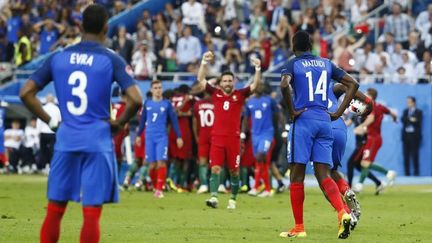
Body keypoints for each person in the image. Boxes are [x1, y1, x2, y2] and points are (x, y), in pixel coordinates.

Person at [19, 4, 143, 243]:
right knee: (91, 214)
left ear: (80, 26)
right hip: (97, 139)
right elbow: (136, 98)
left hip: (67, 138)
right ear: (106, 28)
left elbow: (26, 93)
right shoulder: (111, 59)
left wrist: (51, 120)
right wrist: (119, 122)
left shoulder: (59, 57)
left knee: (55, 211)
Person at [279, 31, 359, 239]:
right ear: (311, 45)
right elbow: (353, 85)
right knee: (324, 173)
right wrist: (339, 112)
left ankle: (299, 227)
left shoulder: (292, 64)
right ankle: (342, 212)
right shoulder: (326, 63)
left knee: (297, 175)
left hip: (303, 121)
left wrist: (292, 111)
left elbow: (284, 84)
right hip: (325, 120)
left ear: (294, 46)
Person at [196, 51, 261, 210]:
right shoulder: (215, 93)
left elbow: (254, 85)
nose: (227, 83)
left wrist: (258, 69)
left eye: (230, 80)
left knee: (234, 171)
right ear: (220, 83)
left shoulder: (240, 94)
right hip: (217, 138)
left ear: (234, 82)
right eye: (224, 80)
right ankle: (214, 197)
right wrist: (204, 62)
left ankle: (233, 198)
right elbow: (200, 80)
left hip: (233, 139)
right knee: (215, 168)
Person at [327, 83, 374, 229]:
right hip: (340, 129)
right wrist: (367, 102)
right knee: (333, 171)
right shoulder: (331, 88)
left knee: (323, 177)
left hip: (322, 129)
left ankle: (346, 213)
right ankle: (347, 190)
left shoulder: (307, 93)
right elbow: (348, 87)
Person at [136, 80, 183, 198]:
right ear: (151, 90)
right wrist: (138, 135)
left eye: (160, 88)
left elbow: (174, 121)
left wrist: (179, 136)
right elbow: (142, 121)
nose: (158, 90)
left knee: (161, 162)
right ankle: (155, 185)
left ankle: (159, 189)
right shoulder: (147, 104)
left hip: (162, 137)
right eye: (156, 88)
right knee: (151, 165)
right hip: (149, 136)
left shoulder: (167, 104)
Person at [353, 88, 398, 193]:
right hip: (374, 138)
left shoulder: (371, 106)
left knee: (365, 162)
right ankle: (387, 175)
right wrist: (394, 118)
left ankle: (387, 173)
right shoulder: (380, 106)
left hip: (373, 139)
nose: (364, 95)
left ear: (370, 96)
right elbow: (392, 113)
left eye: (366, 94)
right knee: (365, 163)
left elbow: (371, 118)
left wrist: (362, 126)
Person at [245, 82, 279, 198]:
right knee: (261, 162)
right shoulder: (249, 102)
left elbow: (277, 115)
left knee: (260, 156)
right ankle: (267, 189)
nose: (260, 87)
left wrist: (274, 129)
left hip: (267, 133)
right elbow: (246, 117)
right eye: (257, 85)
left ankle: (255, 188)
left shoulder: (269, 100)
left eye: (261, 85)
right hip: (255, 134)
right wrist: (243, 133)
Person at [192, 91, 214, 194]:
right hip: (215, 135)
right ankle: (216, 185)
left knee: (202, 162)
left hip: (203, 135)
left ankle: (204, 185)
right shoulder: (217, 103)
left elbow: (194, 121)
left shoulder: (198, 104)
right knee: (216, 162)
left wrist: (196, 136)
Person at [37, 94, 61, 174]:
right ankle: (52, 167)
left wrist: (38, 132)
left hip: (43, 132)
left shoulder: (43, 108)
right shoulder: (56, 109)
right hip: (53, 132)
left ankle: (44, 167)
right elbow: (59, 121)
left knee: (43, 151)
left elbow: (39, 121)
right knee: (52, 151)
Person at [401, 96, 422, 176]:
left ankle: (416, 173)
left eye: (409, 102)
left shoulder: (419, 112)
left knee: (415, 155)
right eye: (407, 102)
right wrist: (411, 119)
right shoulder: (405, 111)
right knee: (406, 156)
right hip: (406, 136)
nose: (408, 104)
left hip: (414, 137)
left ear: (413, 103)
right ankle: (407, 174)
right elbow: (403, 120)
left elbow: (418, 122)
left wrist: (409, 119)